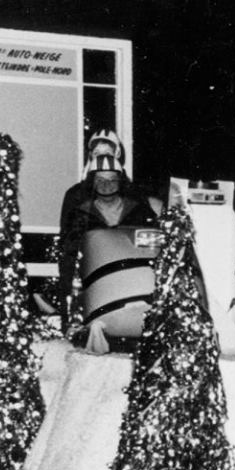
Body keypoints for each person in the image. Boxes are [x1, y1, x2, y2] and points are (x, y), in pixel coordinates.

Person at [57, 130, 159, 327]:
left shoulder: (136, 199)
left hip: (130, 286)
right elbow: (69, 252)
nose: (103, 158)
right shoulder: (76, 198)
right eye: (97, 154)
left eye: (108, 154)